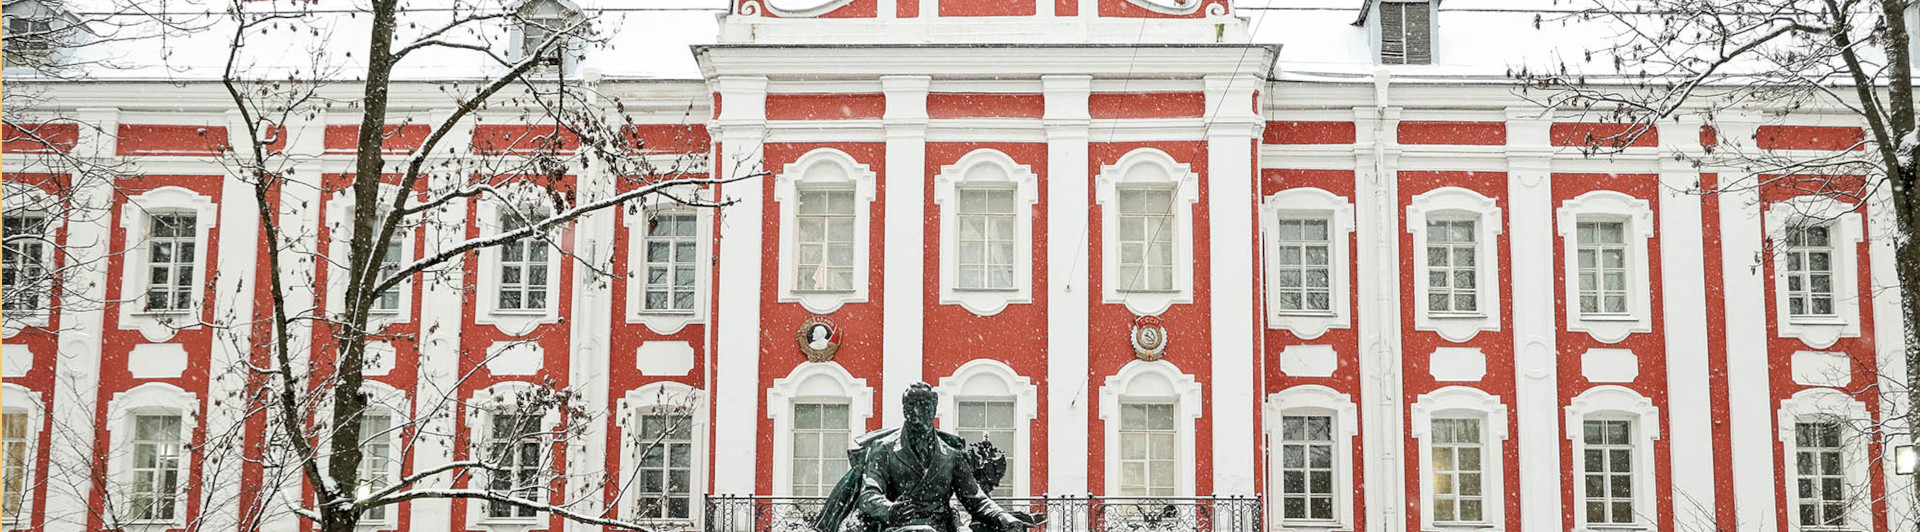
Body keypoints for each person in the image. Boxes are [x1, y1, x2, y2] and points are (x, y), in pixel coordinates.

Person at [828, 382, 1045, 532]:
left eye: (924, 405)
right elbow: (869, 494)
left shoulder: (951, 455)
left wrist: (1004, 517)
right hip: (898, 526)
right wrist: (890, 509)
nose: (917, 411)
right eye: (912, 405)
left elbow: (976, 499)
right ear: (904, 410)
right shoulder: (883, 449)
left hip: (942, 526)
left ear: (934, 409)